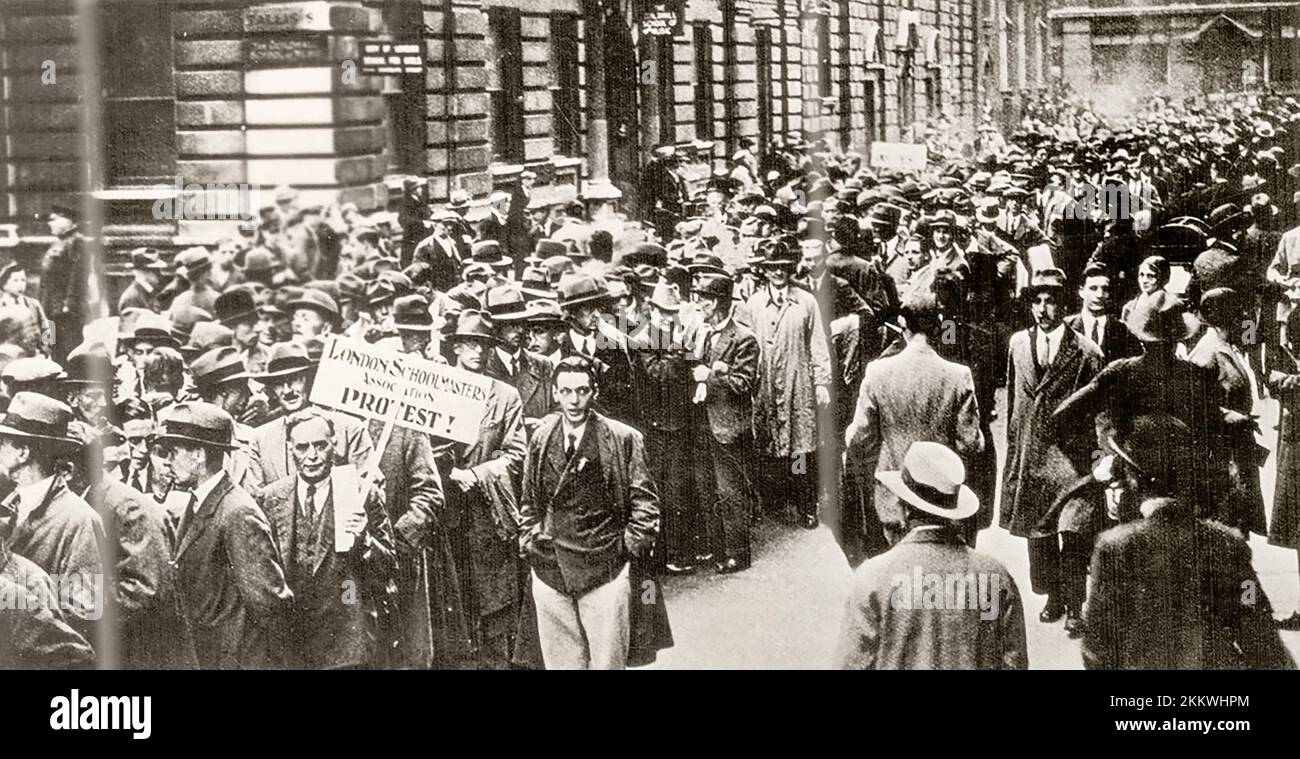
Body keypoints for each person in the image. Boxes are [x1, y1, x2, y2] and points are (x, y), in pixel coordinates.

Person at [1082, 413, 1294, 670]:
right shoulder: (1226, 543)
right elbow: (1260, 638)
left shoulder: (1113, 548)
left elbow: (1097, 646)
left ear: (1134, 480)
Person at [517, 357, 662, 669]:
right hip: (550, 568)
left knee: (608, 661)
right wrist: (530, 540)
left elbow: (645, 502)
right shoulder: (541, 438)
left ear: (594, 391)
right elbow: (528, 500)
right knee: (563, 663)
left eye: (582, 390)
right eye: (566, 391)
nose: (574, 400)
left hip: (605, 568)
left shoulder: (623, 438)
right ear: (554, 393)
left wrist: (628, 548)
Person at [834, 441, 1026, 670]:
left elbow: (852, 664)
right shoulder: (995, 578)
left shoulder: (873, 579)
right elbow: (1013, 663)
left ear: (903, 506)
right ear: (954, 513)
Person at [1000, 269, 1104, 636]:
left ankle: (1076, 606)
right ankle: (1054, 596)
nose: (1043, 309)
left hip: (1071, 458)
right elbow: (1014, 401)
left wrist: (1102, 457)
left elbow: (1100, 409)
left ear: (1063, 304)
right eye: (1037, 301)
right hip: (1032, 454)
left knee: (1073, 533)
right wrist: (1015, 453)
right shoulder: (1016, 344)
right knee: (1039, 536)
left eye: (1051, 301)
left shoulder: (1086, 351)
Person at [154, 401, 292, 669]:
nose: (167, 460)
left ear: (199, 455)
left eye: (174, 451)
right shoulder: (200, 502)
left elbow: (269, 602)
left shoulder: (237, 512)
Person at [257, 407, 397, 669]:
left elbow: (389, 565)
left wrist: (364, 539)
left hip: (345, 635)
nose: (312, 456)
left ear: (334, 445)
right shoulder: (270, 498)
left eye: (320, 446)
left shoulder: (357, 492)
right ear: (290, 449)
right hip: (293, 640)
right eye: (302, 447)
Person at [845, 292, 984, 546]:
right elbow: (971, 444)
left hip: (892, 497)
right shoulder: (958, 376)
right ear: (937, 327)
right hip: (942, 500)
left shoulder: (878, 372)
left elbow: (860, 438)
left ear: (902, 325)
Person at [431, 310, 526, 669]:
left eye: (482, 345)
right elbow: (423, 448)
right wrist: (450, 472)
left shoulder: (504, 396)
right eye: (467, 344)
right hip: (448, 512)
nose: (475, 352)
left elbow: (517, 453)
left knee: (495, 603)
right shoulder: (436, 390)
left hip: (488, 514)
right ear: (455, 347)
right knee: (456, 601)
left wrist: (481, 473)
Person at [0, 392, 106, 642]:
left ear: (23, 453)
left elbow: (85, 612)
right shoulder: (9, 503)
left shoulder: (79, 519)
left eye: (2, 443)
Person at [745, 241, 831, 529]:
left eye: (782, 267)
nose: (777, 273)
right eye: (771, 268)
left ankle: (806, 505)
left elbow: (818, 344)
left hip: (798, 384)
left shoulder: (806, 302)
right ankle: (774, 501)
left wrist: (821, 382)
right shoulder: (754, 304)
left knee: (799, 448)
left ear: (790, 267)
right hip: (765, 384)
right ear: (765, 271)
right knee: (768, 446)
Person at [690, 274, 758, 573]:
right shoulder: (703, 334)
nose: (698, 304)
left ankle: (738, 553)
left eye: (702, 299)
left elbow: (744, 383)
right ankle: (718, 548)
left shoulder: (744, 338)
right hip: (705, 423)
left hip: (729, 427)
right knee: (707, 490)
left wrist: (712, 376)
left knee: (730, 492)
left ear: (716, 302)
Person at [252, 342, 373, 484]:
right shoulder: (261, 439)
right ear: (271, 390)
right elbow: (258, 497)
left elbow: (368, 489)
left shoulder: (348, 429)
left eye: (294, 379)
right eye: (278, 383)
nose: (287, 391)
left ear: (309, 380)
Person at [0, 261, 53, 356]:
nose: (20, 284)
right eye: (15, 280)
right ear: (4, 284)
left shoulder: (33, 304)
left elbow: (47, 325)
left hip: (34, 352)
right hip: (7, 353)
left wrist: (46, 349)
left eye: (23, 280)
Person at [117, 248, 170, 315]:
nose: (158, 274)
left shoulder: (150, 292)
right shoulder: (131, 298)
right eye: (152, 270)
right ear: (138, 271)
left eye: (158, 270)